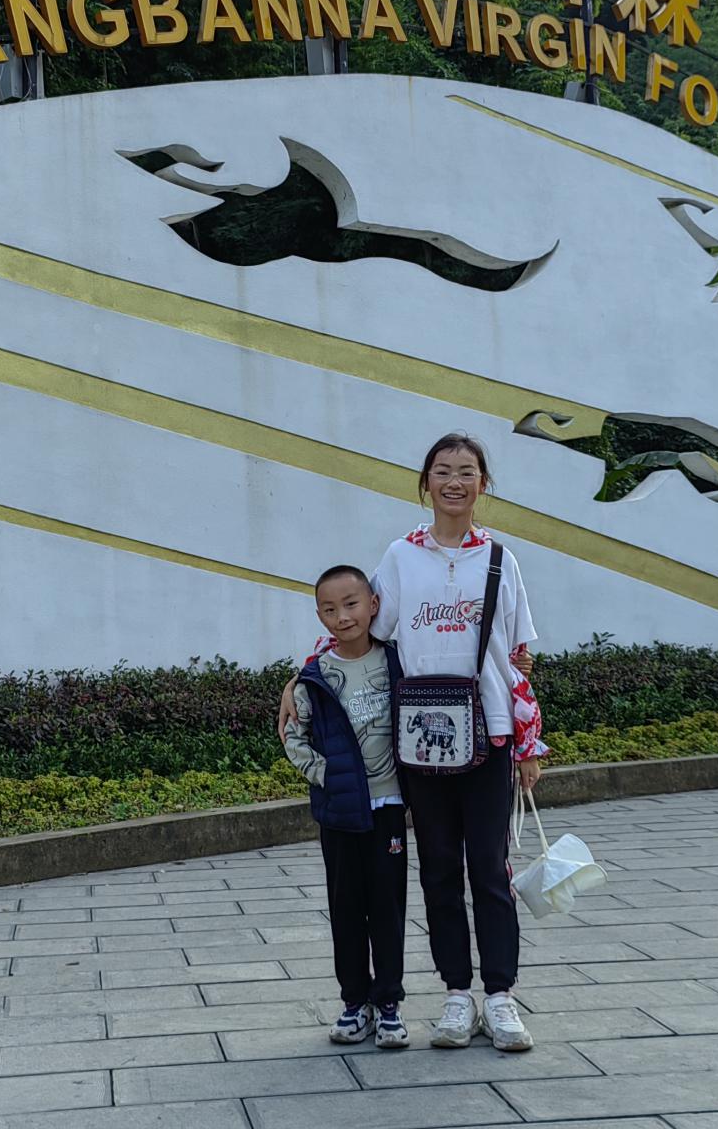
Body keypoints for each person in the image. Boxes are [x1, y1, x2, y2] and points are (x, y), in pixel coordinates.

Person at [280, 432, 547, 1053]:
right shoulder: (401, 557)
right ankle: (457, 994)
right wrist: (301, 677)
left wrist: (527, 745)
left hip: (490, 735)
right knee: (439, 872)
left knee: (491, 869)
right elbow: (358, 630)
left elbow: (517, 660)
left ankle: (500, 996)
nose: (455, 482)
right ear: (425, 482)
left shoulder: (501, 560)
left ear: (483, 484)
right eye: (442, 471)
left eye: (467, 471)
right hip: (421, 742)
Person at [281, 564, 411, 1050]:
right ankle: (355, 1002)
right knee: (346, 909)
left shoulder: (398, 661)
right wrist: (327, 777)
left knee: (388, 908)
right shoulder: (314, 678)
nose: (343, 616)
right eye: (330, 609)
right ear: (320, 616)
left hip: (388, 808)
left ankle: (389, 1004)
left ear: (373, 605)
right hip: (339, 813)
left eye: (352, 604)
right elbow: (293, 737)